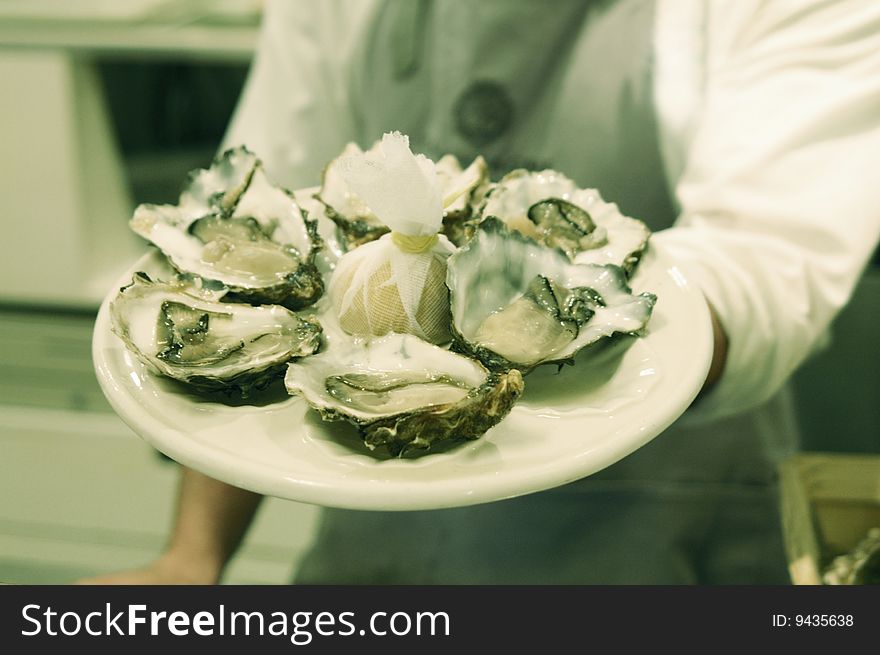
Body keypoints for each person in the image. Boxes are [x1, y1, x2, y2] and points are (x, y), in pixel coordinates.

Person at [82, 0, 880, 584]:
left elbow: (767, 264)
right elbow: (261, 263)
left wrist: (572, 315)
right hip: (382, 538)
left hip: (665, 532)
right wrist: (192, 557)